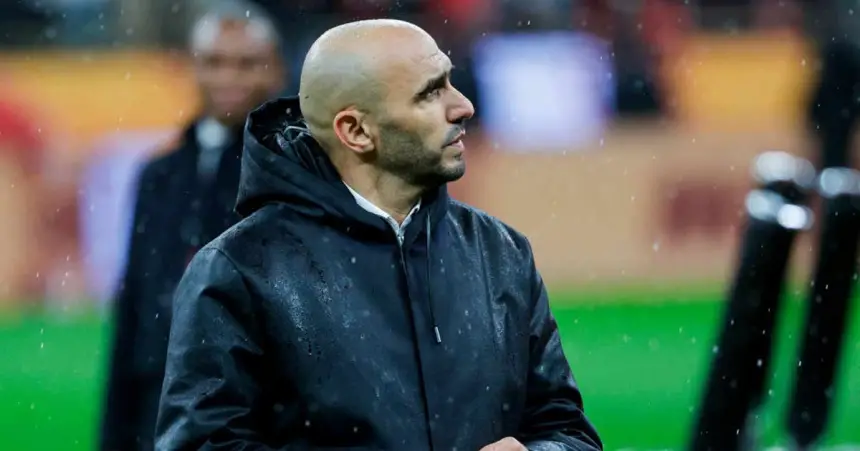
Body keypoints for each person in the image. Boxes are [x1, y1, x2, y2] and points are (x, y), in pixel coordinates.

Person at [156, 19, 603, 451]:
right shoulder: (240, 269)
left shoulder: (500, 253)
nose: (463, 105)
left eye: (449, 81)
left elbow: (568, 431)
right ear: (355, 131)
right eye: (430, 92)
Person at [99, 3, 286, 450]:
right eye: (214, 63)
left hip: (254, 403)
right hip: (157, 394)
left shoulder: (291, 169)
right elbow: (136, 302)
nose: (228, 79)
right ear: (193, 69)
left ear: (275, 70)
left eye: (245, 64)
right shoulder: (159, 174)